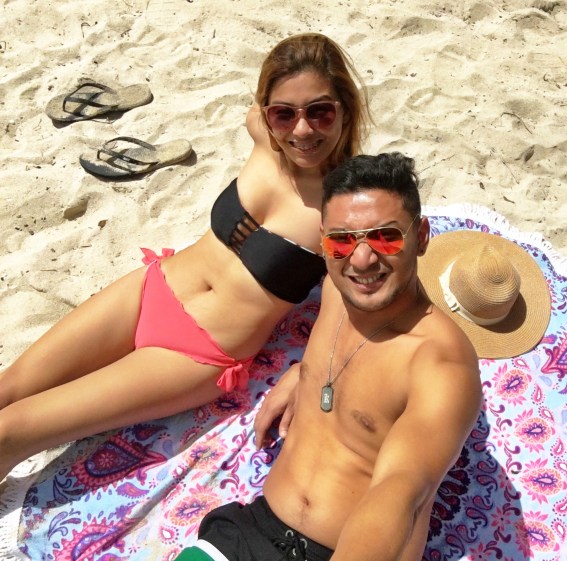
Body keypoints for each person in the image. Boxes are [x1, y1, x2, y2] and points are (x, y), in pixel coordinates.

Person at [0, 33, 371, 482]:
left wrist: (307, 373)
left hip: (195, 353)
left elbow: (352, 307)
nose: (303, 130)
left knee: (10, 431)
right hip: (152, 290)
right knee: (7, 390)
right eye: (284, 113)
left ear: (345, 109)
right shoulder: (262, 136)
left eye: (320, 111)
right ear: (266, 111)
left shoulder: (348, 208)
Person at [173, 152, 482, 561]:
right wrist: (305, 373)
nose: (362, 259)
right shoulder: (338, 287)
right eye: (341, 240)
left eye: (385, 237)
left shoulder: (440, 364)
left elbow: (401, 492)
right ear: (323, 241)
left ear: (421, 237)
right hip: (252, 529)